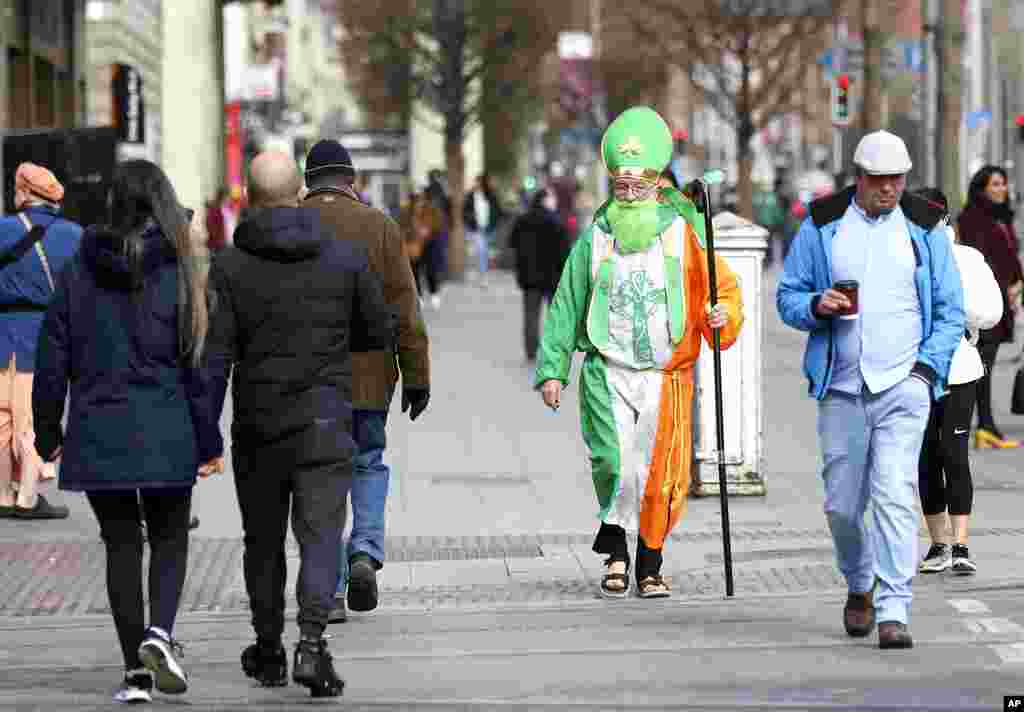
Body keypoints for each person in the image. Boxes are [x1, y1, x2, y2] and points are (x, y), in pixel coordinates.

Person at [32, 160, 223, 703]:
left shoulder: (77, 268)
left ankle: (134, 673)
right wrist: (208, 440)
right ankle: (159, 634)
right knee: (168, 538)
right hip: (167, 426)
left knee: (120, 544)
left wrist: (48, 431)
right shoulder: (180, 269)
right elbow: (196, 366)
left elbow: (52, 355)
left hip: (98, 426)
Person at [535, 106, 744, 600]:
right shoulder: (595, 238)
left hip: (665, 375)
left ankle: (648, 562)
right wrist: (553, 370)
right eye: (621, 186)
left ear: (656, 184)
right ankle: (615, 552)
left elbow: (724, 291)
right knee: (613, 461)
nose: (628, 193)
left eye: (638, 185)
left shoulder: (684, 233)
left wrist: (720, 315)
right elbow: (566, 303)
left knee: (658, 474)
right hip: (607, 370)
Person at [206, 151, 394, 698]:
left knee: (261, 542)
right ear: (297, 195)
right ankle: (312, 643)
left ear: (249, 197)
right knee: (319, 537)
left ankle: (268, 650)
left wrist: (203, 432)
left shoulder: (231, 265)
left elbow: (215, 355)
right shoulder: (343, 255)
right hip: (326, 420)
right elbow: (377, 330)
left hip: (260, 422)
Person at [777, 130, 965, 650]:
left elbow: (950, 311)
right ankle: (860, 582)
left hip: (904, 385)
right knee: (842, 506)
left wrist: (927, 371)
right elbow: (787, 296)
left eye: (897, 180)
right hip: (841, 387)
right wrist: (817, 305)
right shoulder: (822, 225)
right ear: (859, 178)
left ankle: (893, 609)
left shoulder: (925, 226)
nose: (889, 189)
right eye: (879, 180)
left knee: (893, 494)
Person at [301, 139, 430, 622]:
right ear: (351, 180)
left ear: (309, 180)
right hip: (371, 377)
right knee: (368, 462)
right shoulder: (380, 226)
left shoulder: (293, 224)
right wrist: (418, 375)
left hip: (309, 381)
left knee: (319, 478)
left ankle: (331, 589)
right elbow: (404, 305)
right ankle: (364, 552)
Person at [915, 188, 1002, 577]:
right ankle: (938, 544)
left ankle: (961, 543)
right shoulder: (901, 260)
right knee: (926, 455)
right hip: (913, 371)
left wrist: (953, 298)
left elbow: (990, 312)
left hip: (959, 369)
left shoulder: (966, 260)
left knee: (954, 452)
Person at [0, 163, 82, 520]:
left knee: (2, 419)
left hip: (2, 331)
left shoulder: (2, 229)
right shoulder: (74, 235)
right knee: (32, 416)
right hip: (43, 333)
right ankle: (28, 497)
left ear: (24, 193)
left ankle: (3, 495)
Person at [957, 165, 1024, 449]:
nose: (1001, 189)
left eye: (1003, 184)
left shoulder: (1002, 217)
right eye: (995, 184)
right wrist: (1005, 286)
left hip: (1004, 300)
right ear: (982, 187)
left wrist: (1017, 282)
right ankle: (984, 426)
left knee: (987, 364)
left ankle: (986, 427)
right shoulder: (973, 217)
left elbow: (1009, 256)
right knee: (982, 364)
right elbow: (980, 260)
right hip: (987, 302)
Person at [507, 187, 572, 363]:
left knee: (530, 315)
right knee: (555, 315)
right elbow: (565, 251)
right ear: (545, 200)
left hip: (529, 277)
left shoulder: (522, 220)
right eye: (552, 198)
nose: (554, 201)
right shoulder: (556, 221)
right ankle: (554, 348)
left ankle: (531, 350)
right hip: (553, 277)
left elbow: (512, 244)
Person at [463, 173, 503, 286]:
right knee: (481, 251)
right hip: (476, 228)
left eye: (480, 182)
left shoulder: (491, 195)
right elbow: (465, 211)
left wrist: (493, 224)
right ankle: (483, 275)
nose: (478, 184)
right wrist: (470, 219)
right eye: (477, 181)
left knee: (484, 252)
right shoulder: (471, 196)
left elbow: (498, 211)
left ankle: (482, 273)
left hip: (488, 228)